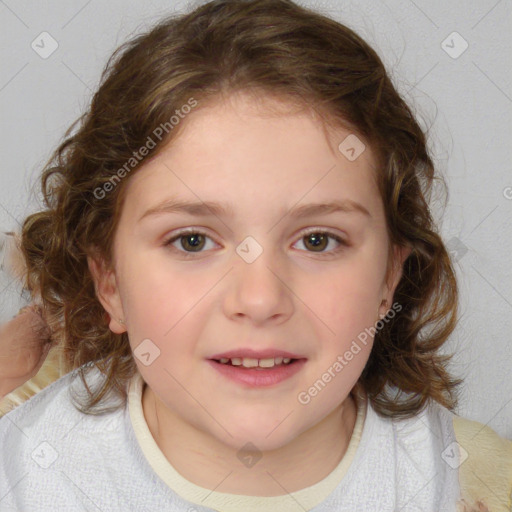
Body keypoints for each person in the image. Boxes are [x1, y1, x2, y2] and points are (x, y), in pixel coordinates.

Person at [0, 0, 510, 510]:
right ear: (109, 282)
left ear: (388, 279)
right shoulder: (26, 475)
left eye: (317, 240)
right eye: (192, 241)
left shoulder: (465, 483)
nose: (260, 299)